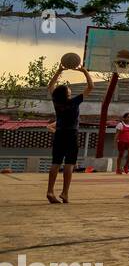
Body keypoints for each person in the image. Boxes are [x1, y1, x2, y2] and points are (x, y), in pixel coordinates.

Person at [46, 66, 94, 204]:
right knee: (69, 163)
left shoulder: (57, 102)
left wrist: (59, 71)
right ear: (67, 93)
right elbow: (91, 87)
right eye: (68, 88)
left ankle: (50, 190)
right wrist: (85, 71)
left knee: (55, 162)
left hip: (59, 134)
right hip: (71, 134)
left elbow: (50, 86)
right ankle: (65, 193)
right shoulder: (74, 101)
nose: (69, 88)